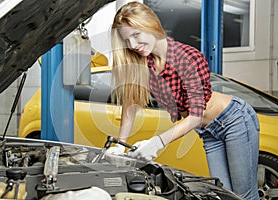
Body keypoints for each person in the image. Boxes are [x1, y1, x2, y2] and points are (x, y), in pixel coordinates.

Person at [106, 1, 260, 199]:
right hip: (208, 132)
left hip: (234, 120)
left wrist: (157, 143)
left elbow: (196, 115)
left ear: (150, 24)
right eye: (127, 40)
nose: (133, 45)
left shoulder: (187, 57)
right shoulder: (147, 64)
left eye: (136, 35)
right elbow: (131, 103)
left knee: (244, 195)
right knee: (223, 195)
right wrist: (120, 144)